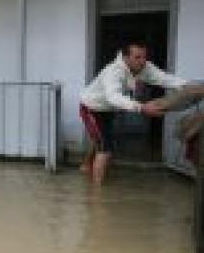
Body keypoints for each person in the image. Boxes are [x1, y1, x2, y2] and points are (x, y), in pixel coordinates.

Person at [78, 41, 186, 185]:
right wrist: (142, 108)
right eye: (137, 57)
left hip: (108, 108)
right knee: (105, 148)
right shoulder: (113, 71)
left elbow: (165, 78)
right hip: (91, 107)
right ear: (125, 58)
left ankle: (85, 165)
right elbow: (113, 97)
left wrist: (188, 86)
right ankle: (96, 195)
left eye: (144, 57)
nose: (143, 61)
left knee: (101, 138)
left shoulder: (145, 68)